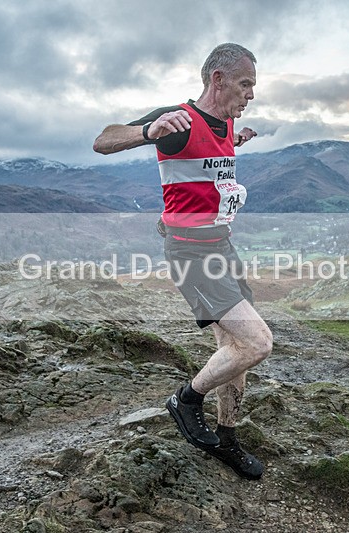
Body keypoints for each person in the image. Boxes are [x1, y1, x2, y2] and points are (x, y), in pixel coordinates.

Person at [93, 43, 272, 480]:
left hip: (222, 247)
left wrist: (236, 141)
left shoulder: (226, 124)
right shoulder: (178, 121)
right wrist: (148, 130)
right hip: (192, 253)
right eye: (245, 84)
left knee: (232, 349)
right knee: (256, 343)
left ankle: (227, 438)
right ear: (218, 79)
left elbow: (205, 173)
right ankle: (186, 400)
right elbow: (102, 140)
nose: (250, 94)